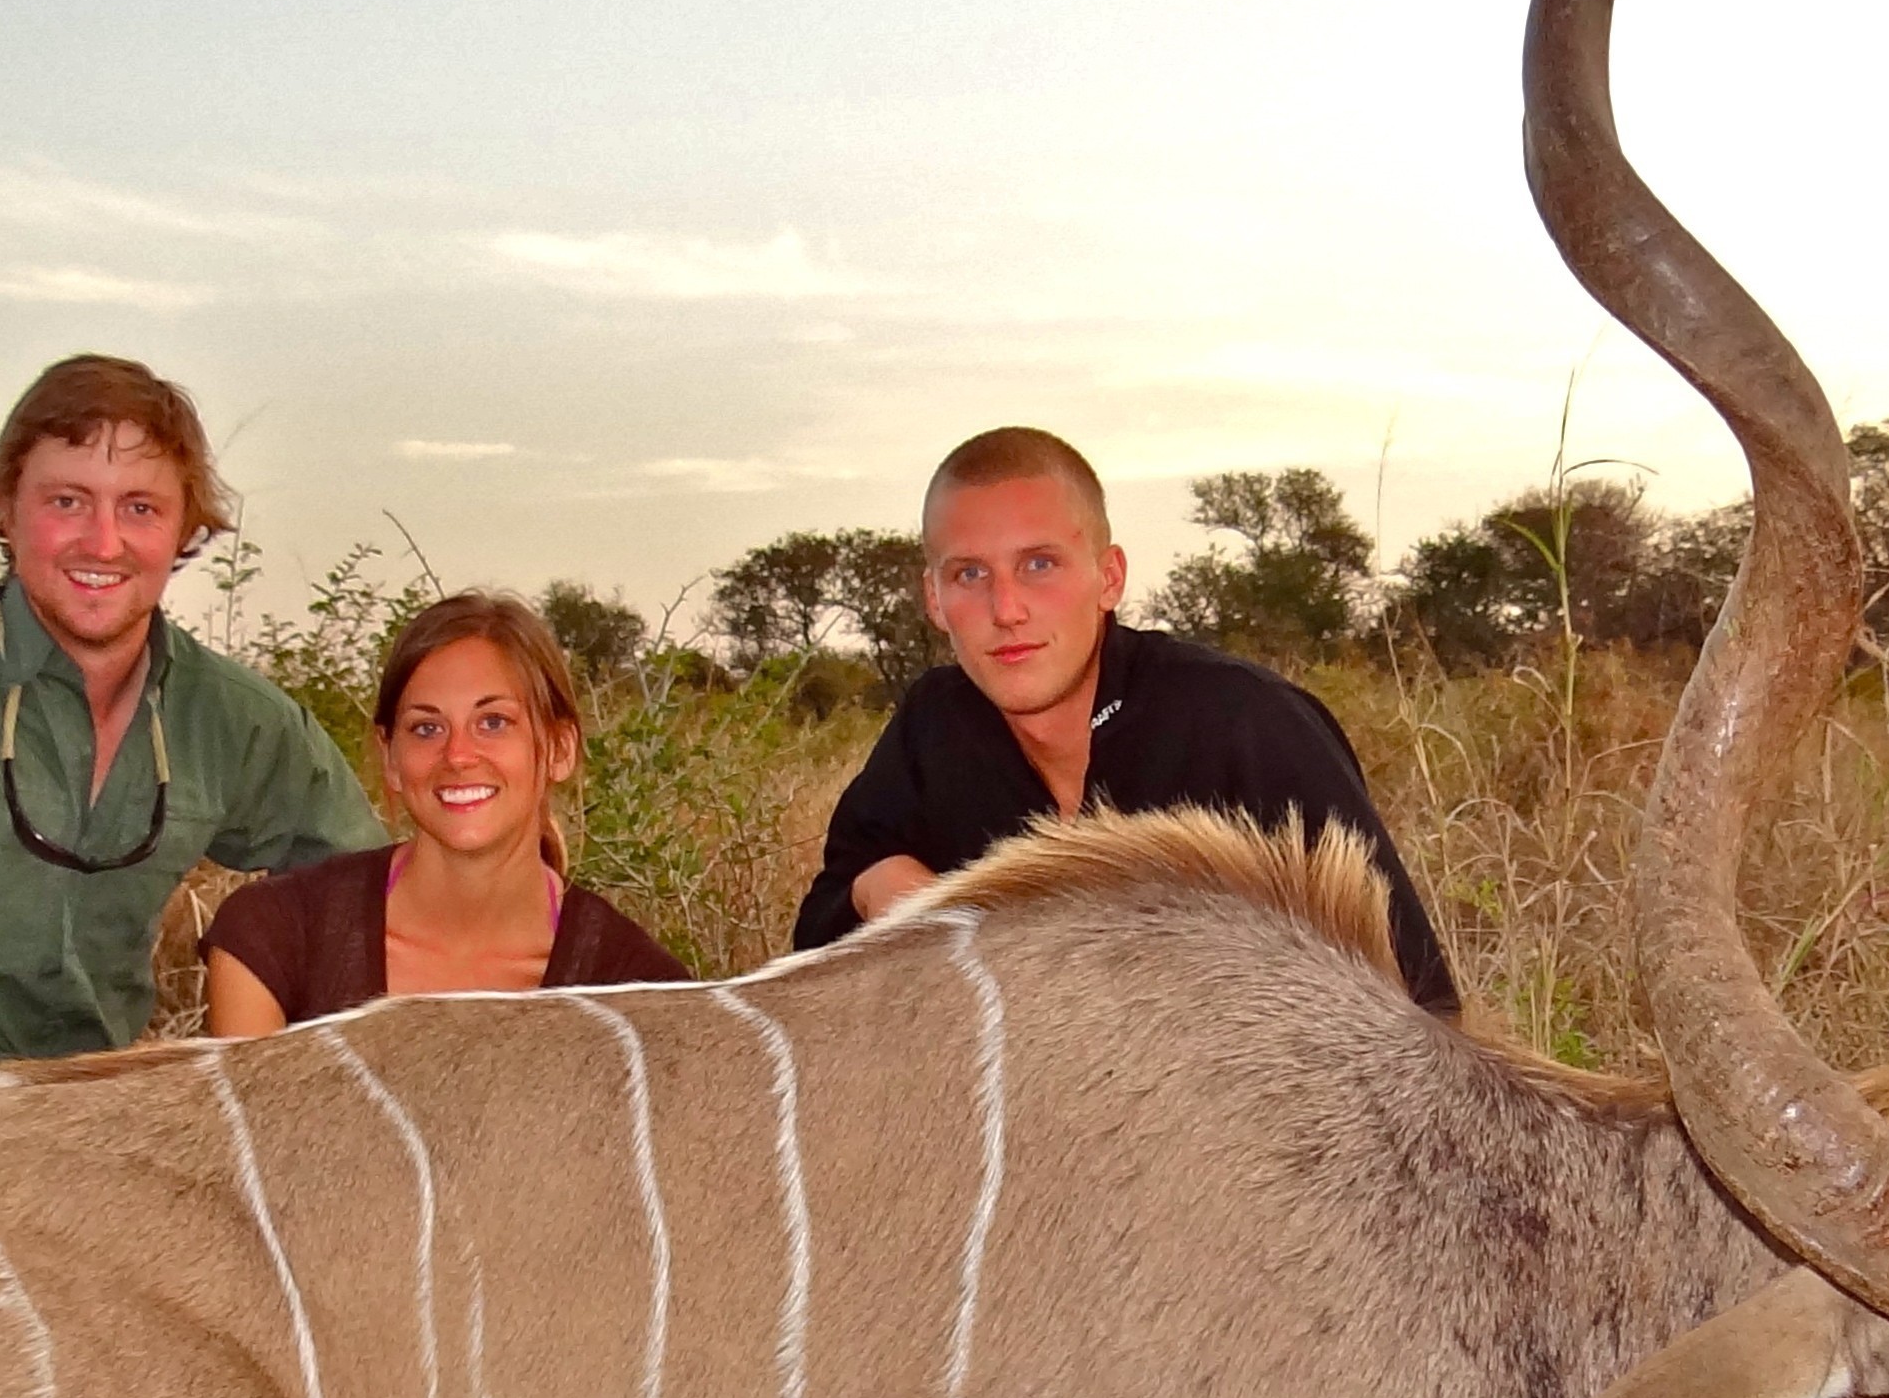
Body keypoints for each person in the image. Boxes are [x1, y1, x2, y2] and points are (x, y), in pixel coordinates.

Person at [0, 354, 382, 1069]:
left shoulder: (235, 715)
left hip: (95, 1112)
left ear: (184, 529)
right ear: (6, 509)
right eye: (66, 502)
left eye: (139, 508)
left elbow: (380, 896)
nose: (103, 544)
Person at [791, 426, 1461, 1011]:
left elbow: (1419, 1001)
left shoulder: (1242, 721)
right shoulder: (933, 726)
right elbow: (820, 932)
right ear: (933, 599)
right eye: (969, 575)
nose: (1006, 609)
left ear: (1108, 578)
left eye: (1039, 564)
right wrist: (879, 887)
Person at [204, 591, 685, 1030]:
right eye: (426, 729)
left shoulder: (640, 993)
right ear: (390, 758)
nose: (458, 756)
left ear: (559, 748)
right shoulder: (275, 937)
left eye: (493, 722)